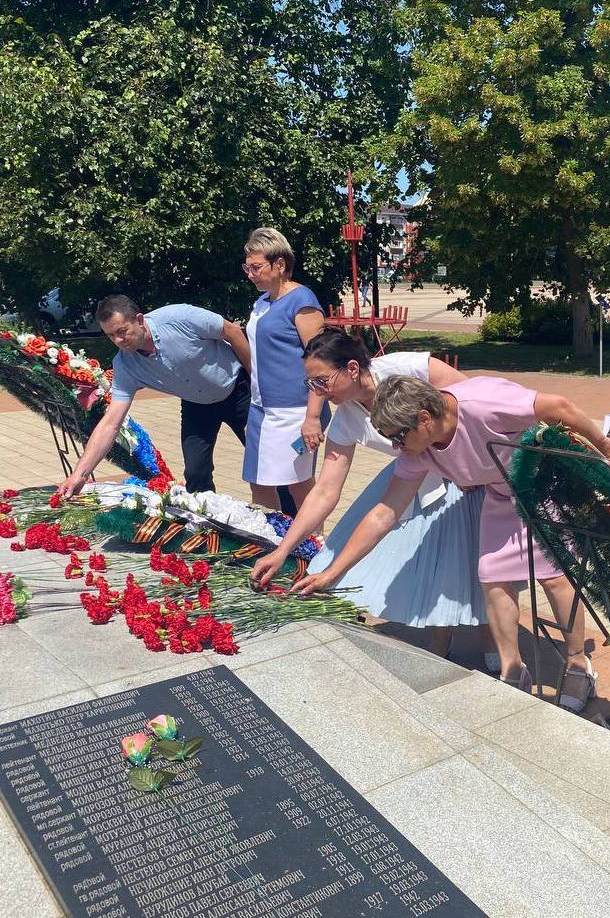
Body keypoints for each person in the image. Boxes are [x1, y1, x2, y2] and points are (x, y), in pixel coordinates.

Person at [287, 374, 610, 714]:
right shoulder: (419, 450)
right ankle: (512, 669)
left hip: (544, 483)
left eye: (398, 438)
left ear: (424, 419)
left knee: (553, 575)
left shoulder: (482, 403)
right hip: (501, 495)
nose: (397, 448)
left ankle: (579, 665)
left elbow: (558, 405)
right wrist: (332, 572)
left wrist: (600, 445)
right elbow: (384, 514)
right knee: (492, 577)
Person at [250, 329, 494, 662]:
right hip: (411, 478)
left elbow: (473, 401)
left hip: (462, 467)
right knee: (432, 557)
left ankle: (494, 639)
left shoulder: (408, 368)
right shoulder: (346, 417)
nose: (317, 392)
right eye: (311, 385)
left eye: (322, 381)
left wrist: (468, 464)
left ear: (352, 368)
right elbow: (325, 491)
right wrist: (283, 550)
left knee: (473, 556)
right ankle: (441, 637)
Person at [58, 295, 252, 496]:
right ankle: (207, 522)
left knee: (267, 462)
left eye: (122, 331)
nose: (118, 341)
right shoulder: (125, 365)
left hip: (238, 391)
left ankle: (285, 516)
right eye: (110, 335)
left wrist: (257, 383)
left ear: (140, 320)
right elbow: (111, 422)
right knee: (196, 472)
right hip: (197, 404)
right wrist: (79, 475)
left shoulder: (178, 317)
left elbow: (232, 332)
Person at [242, 227, 329, 510]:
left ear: (279, 264)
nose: (251, 274)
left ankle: (313, 546)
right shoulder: (263, 301)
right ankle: (270, 541)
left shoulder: (302, 302)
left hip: (295, 413)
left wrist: (313, 418)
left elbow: (322, 362)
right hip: (262, 411)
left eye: (257, 267)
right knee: (259, 481)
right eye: (248, 268)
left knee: (298, 483)